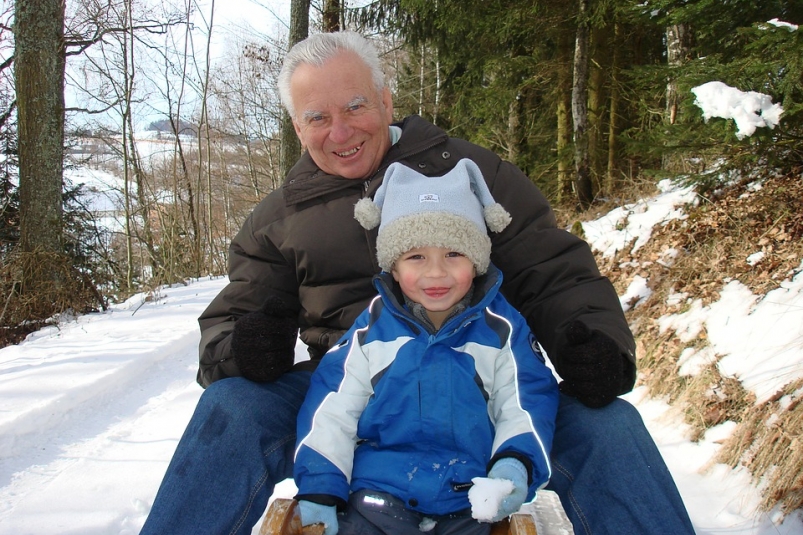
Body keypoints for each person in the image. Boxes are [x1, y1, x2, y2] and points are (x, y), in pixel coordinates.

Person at [140, 31, 695, 535]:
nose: (340, 131)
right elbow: (234, 317)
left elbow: (552, 272)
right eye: (317, 117)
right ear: (297, 126)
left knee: (609, 425)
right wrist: (241, 348)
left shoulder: (471, 176)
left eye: (355, 106)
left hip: (479, 384)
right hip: (348, 392)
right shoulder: (277, 221)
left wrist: (593, 341)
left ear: (385, 101)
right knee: (232, 407)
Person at [293, 158, 559, 535]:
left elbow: (525, 400)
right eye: (416, 256)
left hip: (470, 496)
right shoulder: (371, 331)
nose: (436, 272)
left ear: (477, 262)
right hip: (377, 493)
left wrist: (514, 464)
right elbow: (333, 407)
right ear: (394, 267)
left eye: (454, 254)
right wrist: (321, 485)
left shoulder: (501, 329)